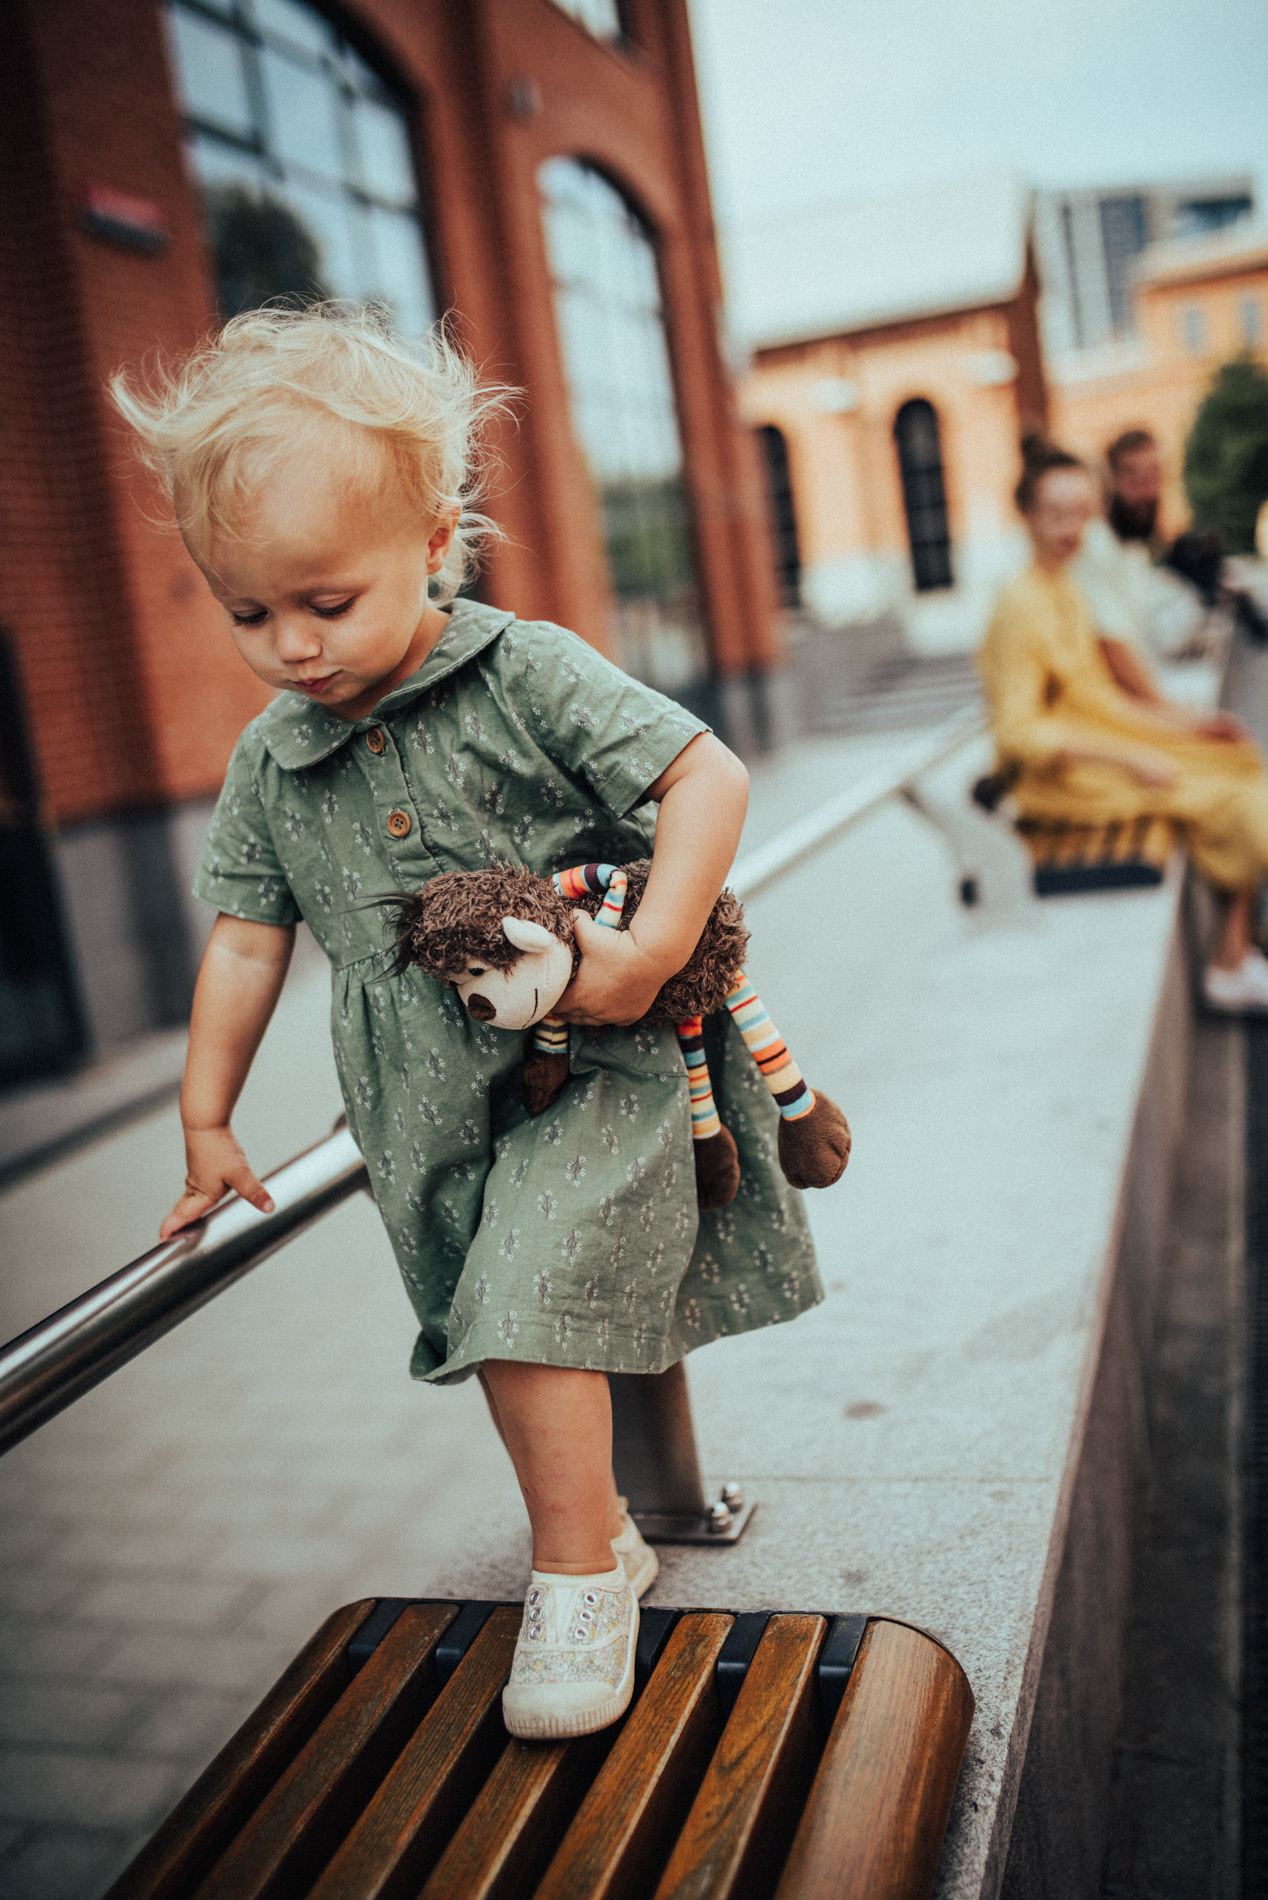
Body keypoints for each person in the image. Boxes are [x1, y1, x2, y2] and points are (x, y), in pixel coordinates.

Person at [110, 304, 825, 1741]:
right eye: (248, 614)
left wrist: (653, 947)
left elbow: (709, 778)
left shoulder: (525, 670)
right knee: (497, 1321)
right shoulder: (271, 760)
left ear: (436, 545)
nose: (293, 648)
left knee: (521, 1296)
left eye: (327, 603)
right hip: (424, 1104)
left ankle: (578, 1574)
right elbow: (248, 946)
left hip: (594, 1067)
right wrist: (203, 1114)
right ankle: (604, 1528)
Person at [980, 435, 1268, 1013]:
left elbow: (1101, 697)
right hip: (1062, 779)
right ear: (1028, 515)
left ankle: (1237, 949)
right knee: (1244, 801)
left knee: (1238, 759)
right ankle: (1227, 965)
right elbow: (1017, 731)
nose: (1069, 529)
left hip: (1102, 749)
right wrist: (1131, 758)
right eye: (1055, 514)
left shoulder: (1062, 587)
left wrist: (1190, 724)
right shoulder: (1021, 603)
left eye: (1080, 515)